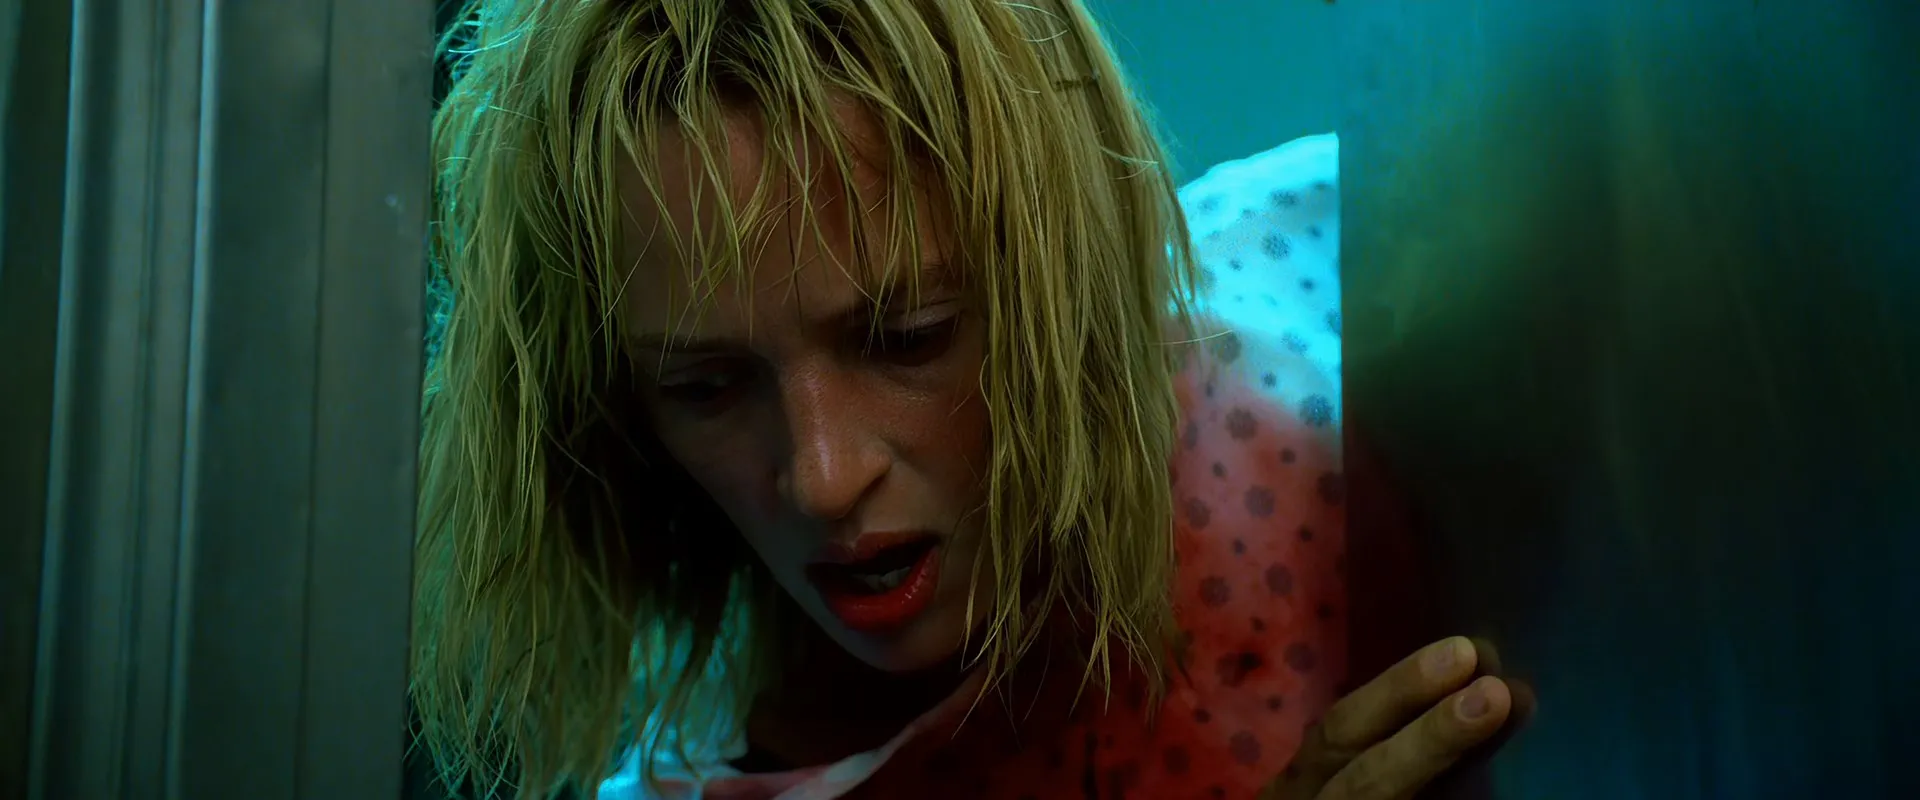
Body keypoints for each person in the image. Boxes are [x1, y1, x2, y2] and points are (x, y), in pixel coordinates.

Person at [411, 1, 1519, 798]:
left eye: (909, 337)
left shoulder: (1347, 259)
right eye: (705, 387)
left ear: (1059, 280)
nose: (825, 477)